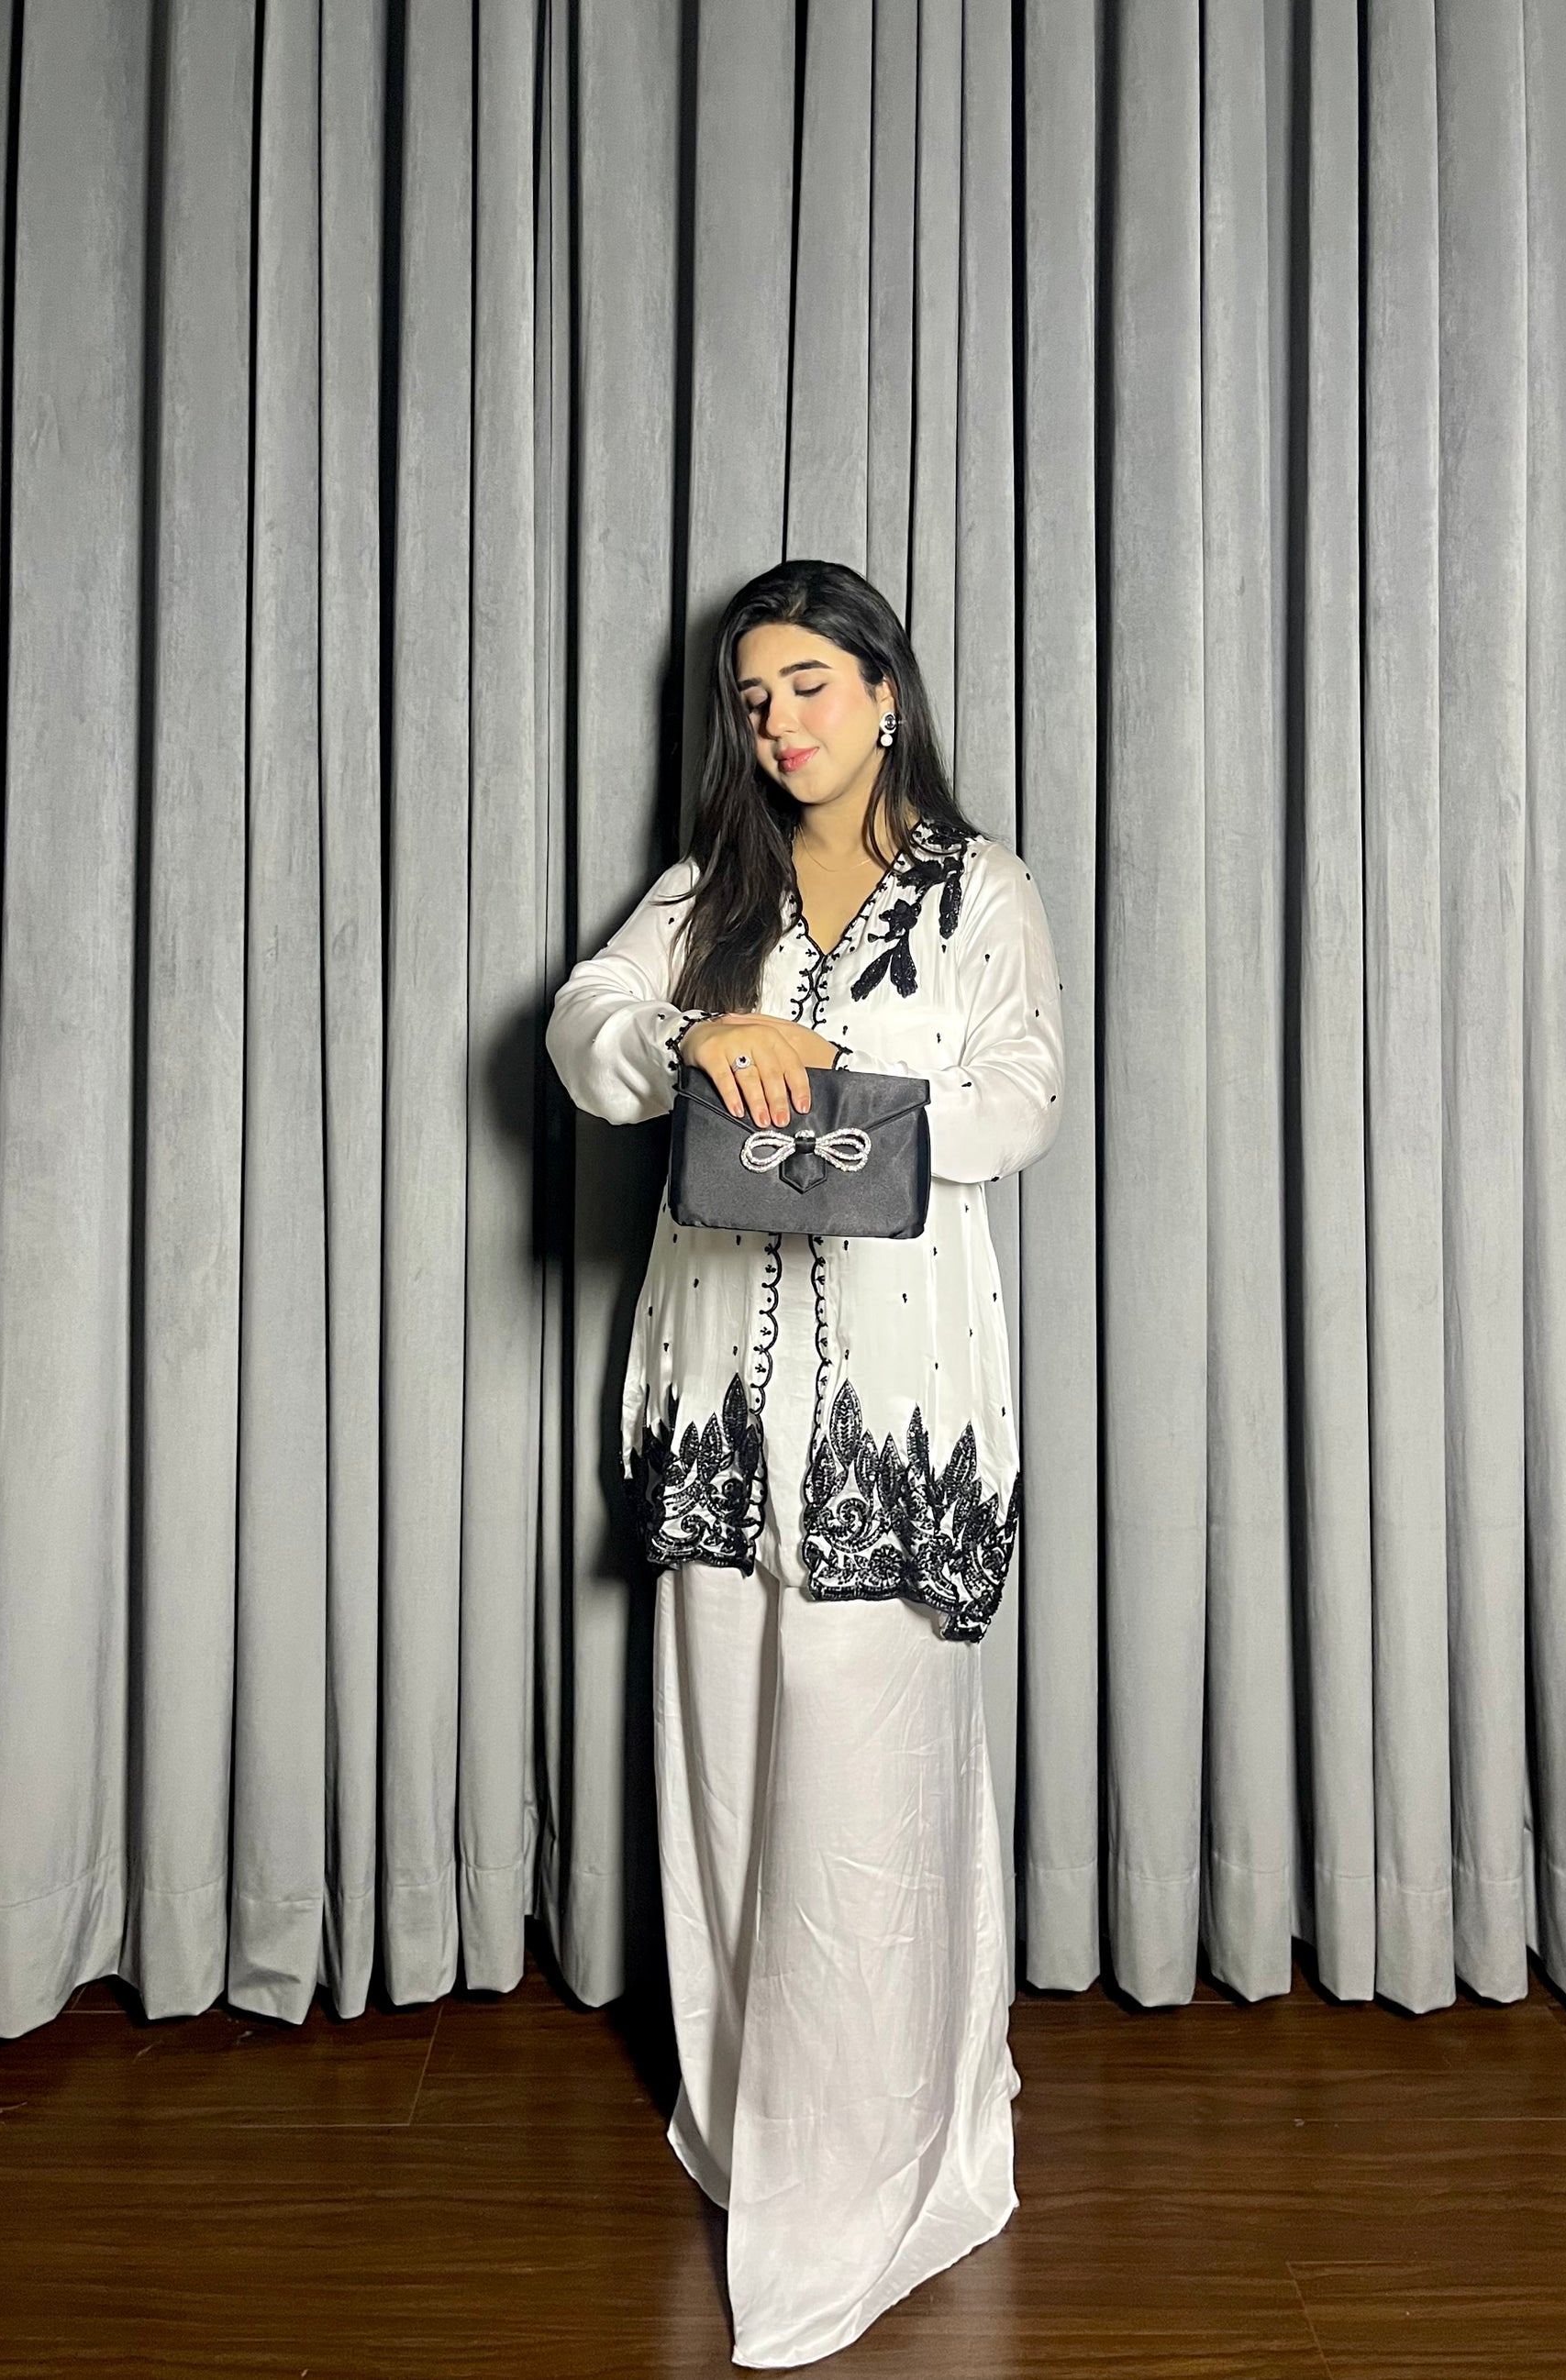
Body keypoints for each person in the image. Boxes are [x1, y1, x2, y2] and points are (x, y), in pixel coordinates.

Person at [543, 558, 1065, 2366]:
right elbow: (583, 1031)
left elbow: (1020, 1093)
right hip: (714, 1383)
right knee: (726, 1780)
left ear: (885, 692)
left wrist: (821, 1078)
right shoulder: (708, 892)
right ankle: (757, 2123)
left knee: (869, 1795)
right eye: (752, 699)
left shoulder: (979, 890)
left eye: (810, 687)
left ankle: (877, 2169)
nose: (778, 724)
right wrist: (698, 1030)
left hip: (894, 1405)